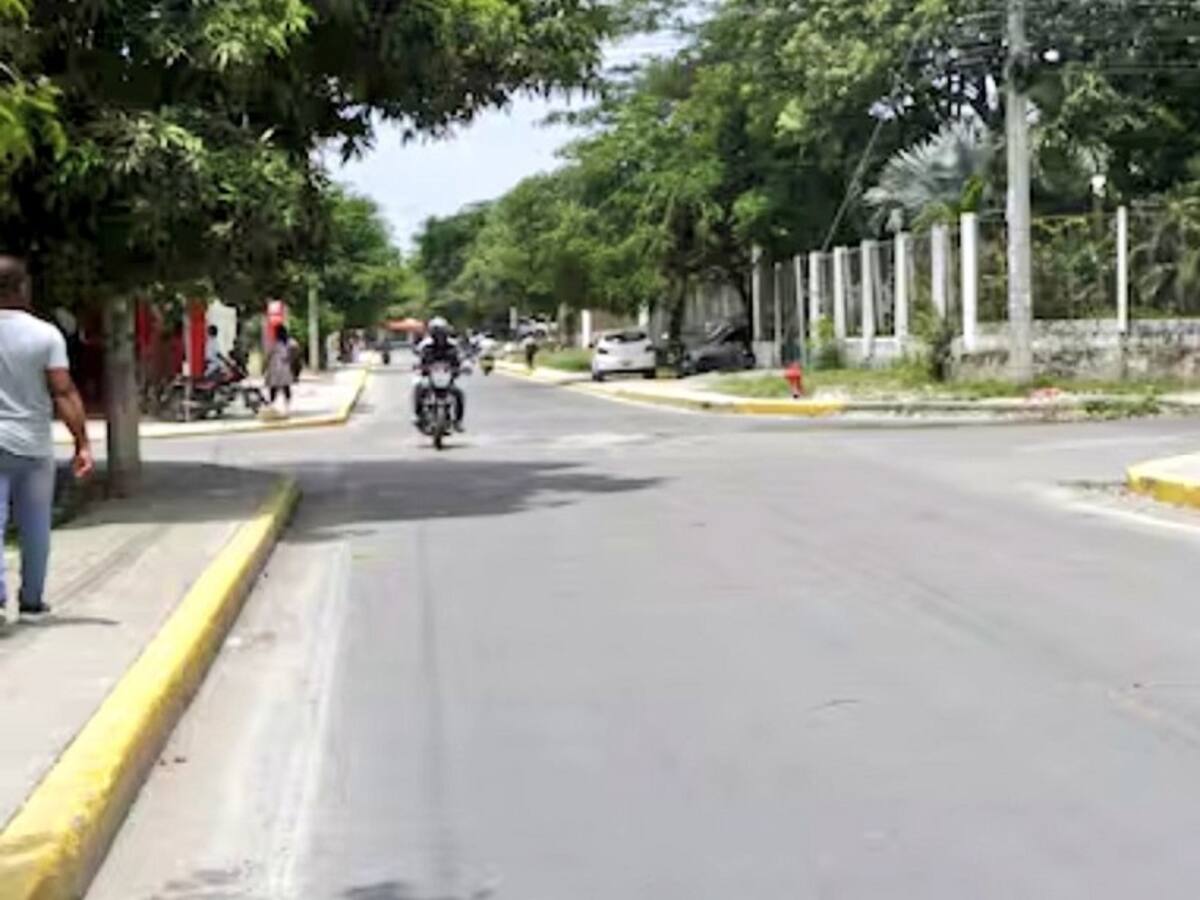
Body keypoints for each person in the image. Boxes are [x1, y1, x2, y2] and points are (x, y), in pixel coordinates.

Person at [0, 257, 93, 621]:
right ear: (22, 288)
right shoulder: (45, 335)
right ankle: (32, 601)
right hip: (33, 447)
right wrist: (81, 442)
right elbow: (63, 392)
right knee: (35, 525)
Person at [413, 316, 465, 431]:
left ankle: (458, 421)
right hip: (430, 377)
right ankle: (419, 416)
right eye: (436, 333)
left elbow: (460, 359)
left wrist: (462, 368)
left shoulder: (453, 345)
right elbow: (418, 359)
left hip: (447, 378)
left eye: (441, 332)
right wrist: (419, 367)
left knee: (459, 393)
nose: (439, 336)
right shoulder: (425, 345)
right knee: (419, 389)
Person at [265, 323, 295, 416]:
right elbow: (295, 351)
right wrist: (289, 359)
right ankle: (287, 407)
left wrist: (265, 367)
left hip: (274, 367)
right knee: (286, 387)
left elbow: (268, 355)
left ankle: (272, 405)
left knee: (273, 387)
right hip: (284, 366)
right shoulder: (290, 342)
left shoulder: (274, 343)